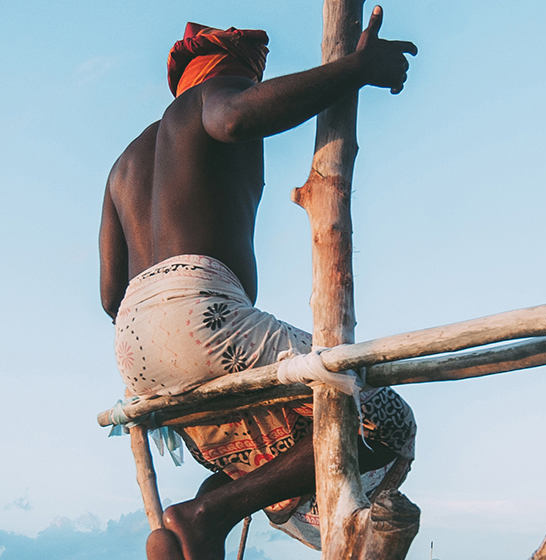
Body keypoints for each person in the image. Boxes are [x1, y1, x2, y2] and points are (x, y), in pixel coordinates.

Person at [98, 10, 419, 560]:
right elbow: (236, 119)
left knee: (270, 444)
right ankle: (205, 515)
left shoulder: (125, 164)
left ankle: (192, 530)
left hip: (133, 346)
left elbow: (109, 294)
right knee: (386, 421)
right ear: (225, 75)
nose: (252, 90)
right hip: (199, 313)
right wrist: (357, 68)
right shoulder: (208, 99)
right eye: (251, 82)